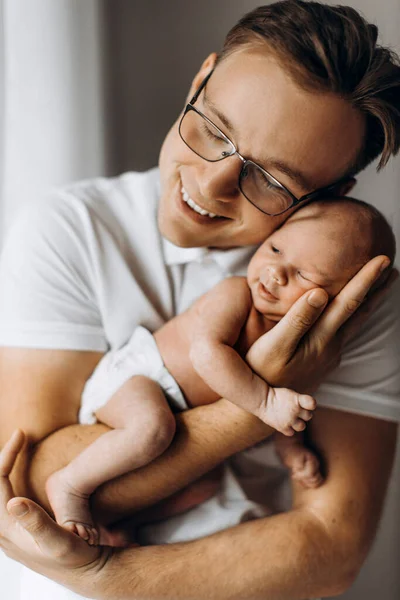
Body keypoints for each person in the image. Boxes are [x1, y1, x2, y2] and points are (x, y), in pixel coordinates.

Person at [0, 2, 399, 599]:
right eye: (213, 129)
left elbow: (333, 547)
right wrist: (251, 405)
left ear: (331, 194)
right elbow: (27, 488)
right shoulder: (68, 230)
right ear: (200, 81)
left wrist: (110, 577)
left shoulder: (347, 291)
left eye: (271, 179)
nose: (208, 184)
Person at [46, 196, 396, 547]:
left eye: (304, 274)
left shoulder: (300, 346)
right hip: (139, 378)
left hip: (176, 408)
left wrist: (292, 448)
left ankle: (125, 525)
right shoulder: (235, 294)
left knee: (205, 483)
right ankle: (70, 484)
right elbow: (206, 355)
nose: (276, 272)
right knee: (152, 430)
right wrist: (265, 402)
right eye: (275, 249)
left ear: (341, 299)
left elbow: (277, 405)